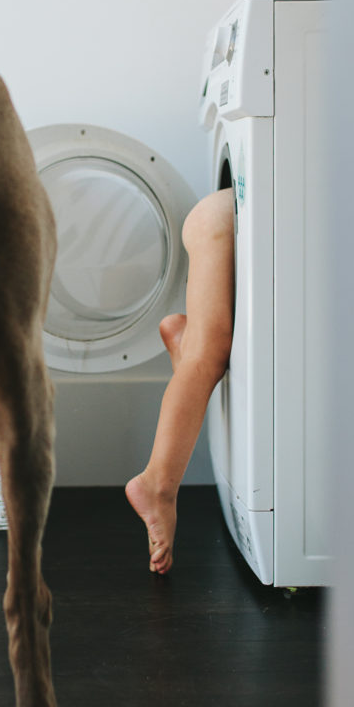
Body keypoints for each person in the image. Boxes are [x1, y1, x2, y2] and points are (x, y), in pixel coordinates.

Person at [125, 187, 235, 574]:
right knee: (207, 358)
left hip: (220, 211)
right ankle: (157, 485)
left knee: (205, 349)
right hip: (229, 218)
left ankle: (185, 338)